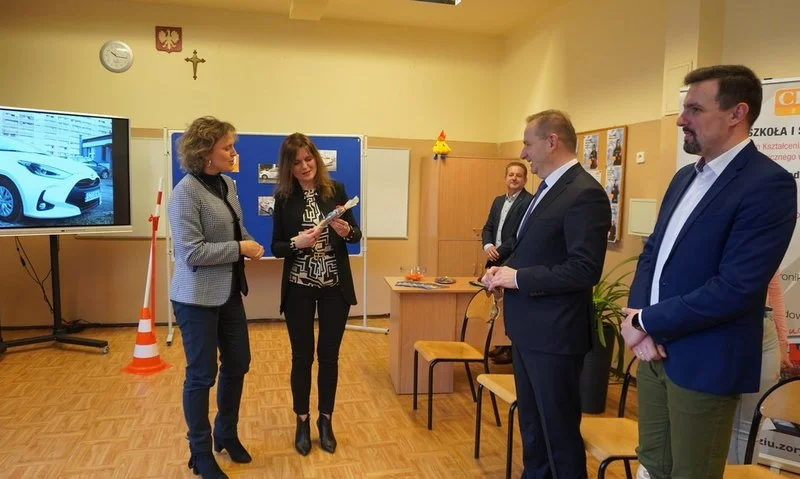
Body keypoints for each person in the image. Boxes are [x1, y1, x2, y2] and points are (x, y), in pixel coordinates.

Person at [621, 65, 797, 479]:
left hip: (704, 361)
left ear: (737, 113)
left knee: (692, 472)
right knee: (653, 465)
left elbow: (735, 287)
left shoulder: (767, 184)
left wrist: (647, 321)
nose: (681, 119)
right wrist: (637, 322)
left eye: (695, 109)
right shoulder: (685, 177)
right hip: (653, 352)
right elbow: (652, 254)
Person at [482, 110, 611, 478]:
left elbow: (584, 269)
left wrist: (518, 278)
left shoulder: (585, 193)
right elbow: (532, 247)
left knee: (558, 435)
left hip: (556, 335)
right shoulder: (547, 190)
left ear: (552, 141)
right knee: (534, 428)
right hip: (530, 331)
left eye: (528, 144)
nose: (523, 154)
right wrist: (501, 268)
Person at [169, 116, 264, 479]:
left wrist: (249, 243)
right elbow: (191, 253)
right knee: (201, 376)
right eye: (227, 147)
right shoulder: (184, 194)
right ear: (205, 151)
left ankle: (226, 432)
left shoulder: (227, 184)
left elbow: (236, 228)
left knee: (238, 362)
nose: (234, 152)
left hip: (228, 292)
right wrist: (239, 248)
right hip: (195, 299)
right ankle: (200, 452)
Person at [271, 132, 362, 456]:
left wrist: (346, 230)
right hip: (299, 288)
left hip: (334, 288)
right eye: (297, 162)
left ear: (316, 159)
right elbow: (276, 246)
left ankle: (326, 420)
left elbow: (356, 234)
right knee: (301, 358)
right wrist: (296, 243)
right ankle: (302, 421)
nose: (305, 166)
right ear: (289, 167)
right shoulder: (284, 198)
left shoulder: (335, 190)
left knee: (329, 357)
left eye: (308, 159)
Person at [728, 270, 792, 463]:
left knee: (750, 426)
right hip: (724, 328)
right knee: (718, 422)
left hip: (764, 329)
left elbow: (774, 289)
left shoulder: (766, 248)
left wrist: (782, 342)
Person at [481, 161, 533, 365]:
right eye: (511, 174)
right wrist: (488, 245)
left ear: (525, 180)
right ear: (505, 178)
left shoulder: (528, 202)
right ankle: (500, 344)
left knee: (510, 305)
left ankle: (509, 348)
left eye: (519, 175)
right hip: (494, 257)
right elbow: (488, 227)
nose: (514, 178)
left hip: (512, 259)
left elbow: (518, 236)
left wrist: (498, 252)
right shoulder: (498, 201)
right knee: (496, 305)